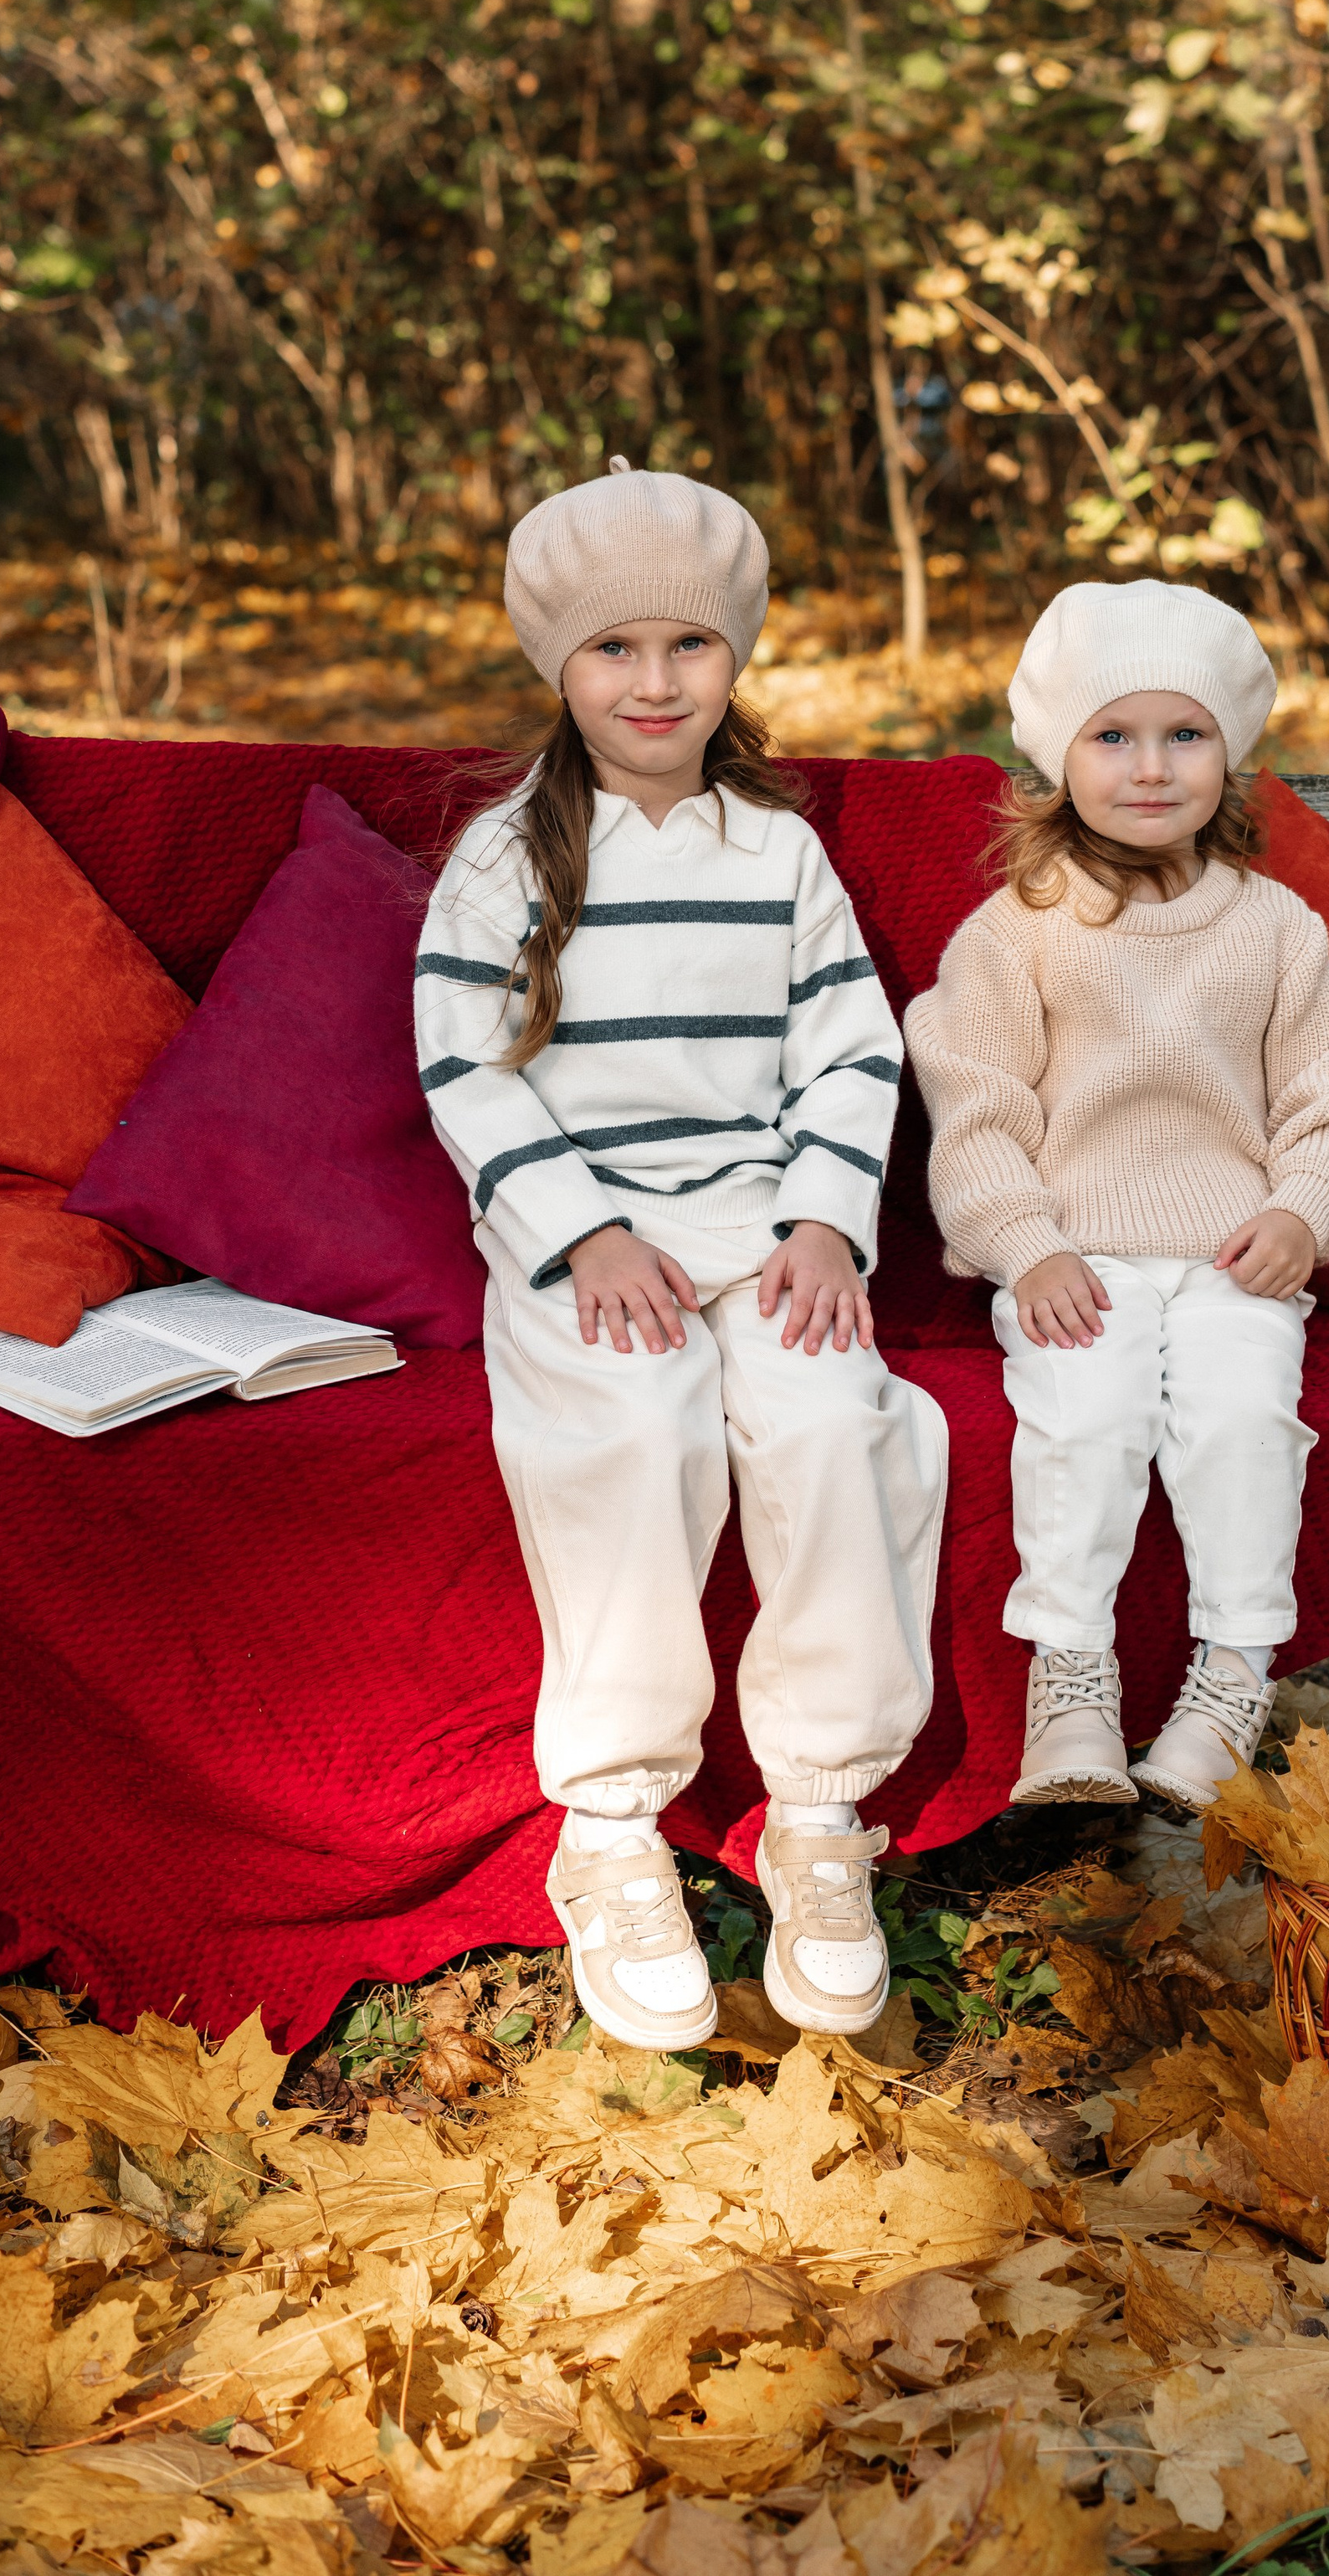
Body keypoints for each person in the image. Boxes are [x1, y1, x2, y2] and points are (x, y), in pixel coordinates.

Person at [416, 464, 947, 2049]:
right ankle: (611, 1828)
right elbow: (466, 1066)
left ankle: (819, 1809)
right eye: (614, 652)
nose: (656, 685)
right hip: (592, 1237)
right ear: (558, 667)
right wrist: (582, 1231)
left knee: (829, 1422)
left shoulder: (776, 851)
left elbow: (852, 1050)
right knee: (634, 1433)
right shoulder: (507, 857)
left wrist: (823, 1220)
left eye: (689, 650)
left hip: (761, 1217)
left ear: (735, 660)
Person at [904, 582, 1329, 1815]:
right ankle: (1071, 1681)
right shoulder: (1018, 933)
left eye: (1185, 734)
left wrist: (1301, 1210)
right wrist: (1024, 1246)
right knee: (1087, 1418)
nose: (1151, 766)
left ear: (1230, 757)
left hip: (1234, 1252)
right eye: (1113, 735)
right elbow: (976, 1107)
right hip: (1078, 1254)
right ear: (1056, 758)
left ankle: (1232, 1674)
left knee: (1240, 1419)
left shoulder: (1277, 928)